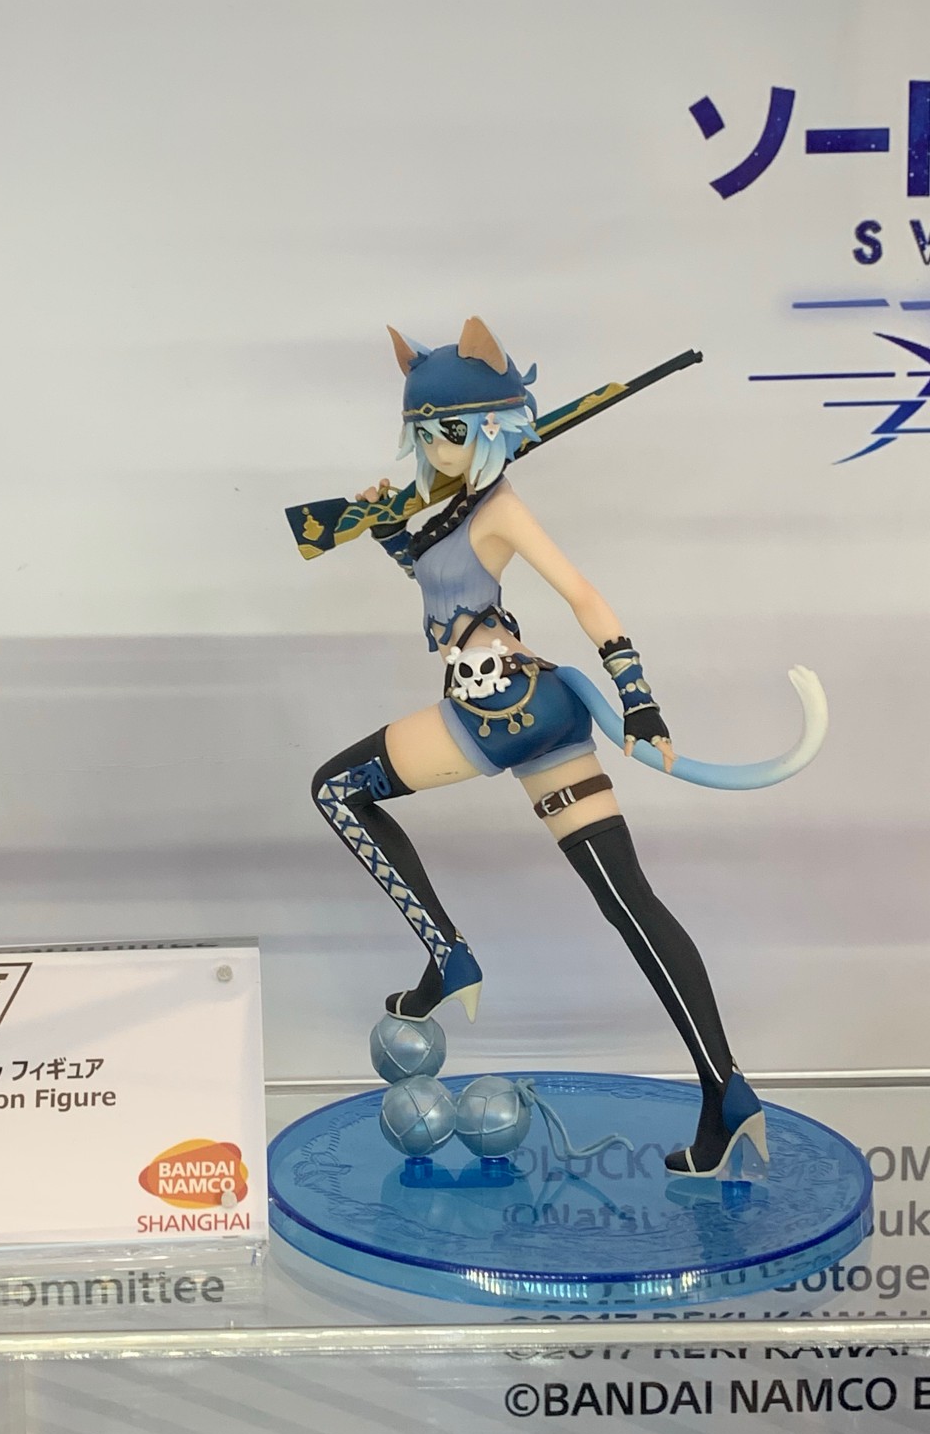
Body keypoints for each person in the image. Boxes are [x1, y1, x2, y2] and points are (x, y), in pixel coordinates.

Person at [311, 318, 770, 1178]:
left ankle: (447, 956)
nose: (437, 449)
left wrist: (640, 699)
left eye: (451, 431)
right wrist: (386, 528)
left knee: (337, 790)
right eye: (424, 433)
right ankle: (726, 1090)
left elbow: (585, 595)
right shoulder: (458, 509)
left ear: (492, 428)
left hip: (496, 711)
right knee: (628, 900)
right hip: (541, 714)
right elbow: (441, 582)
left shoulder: (501, 507)